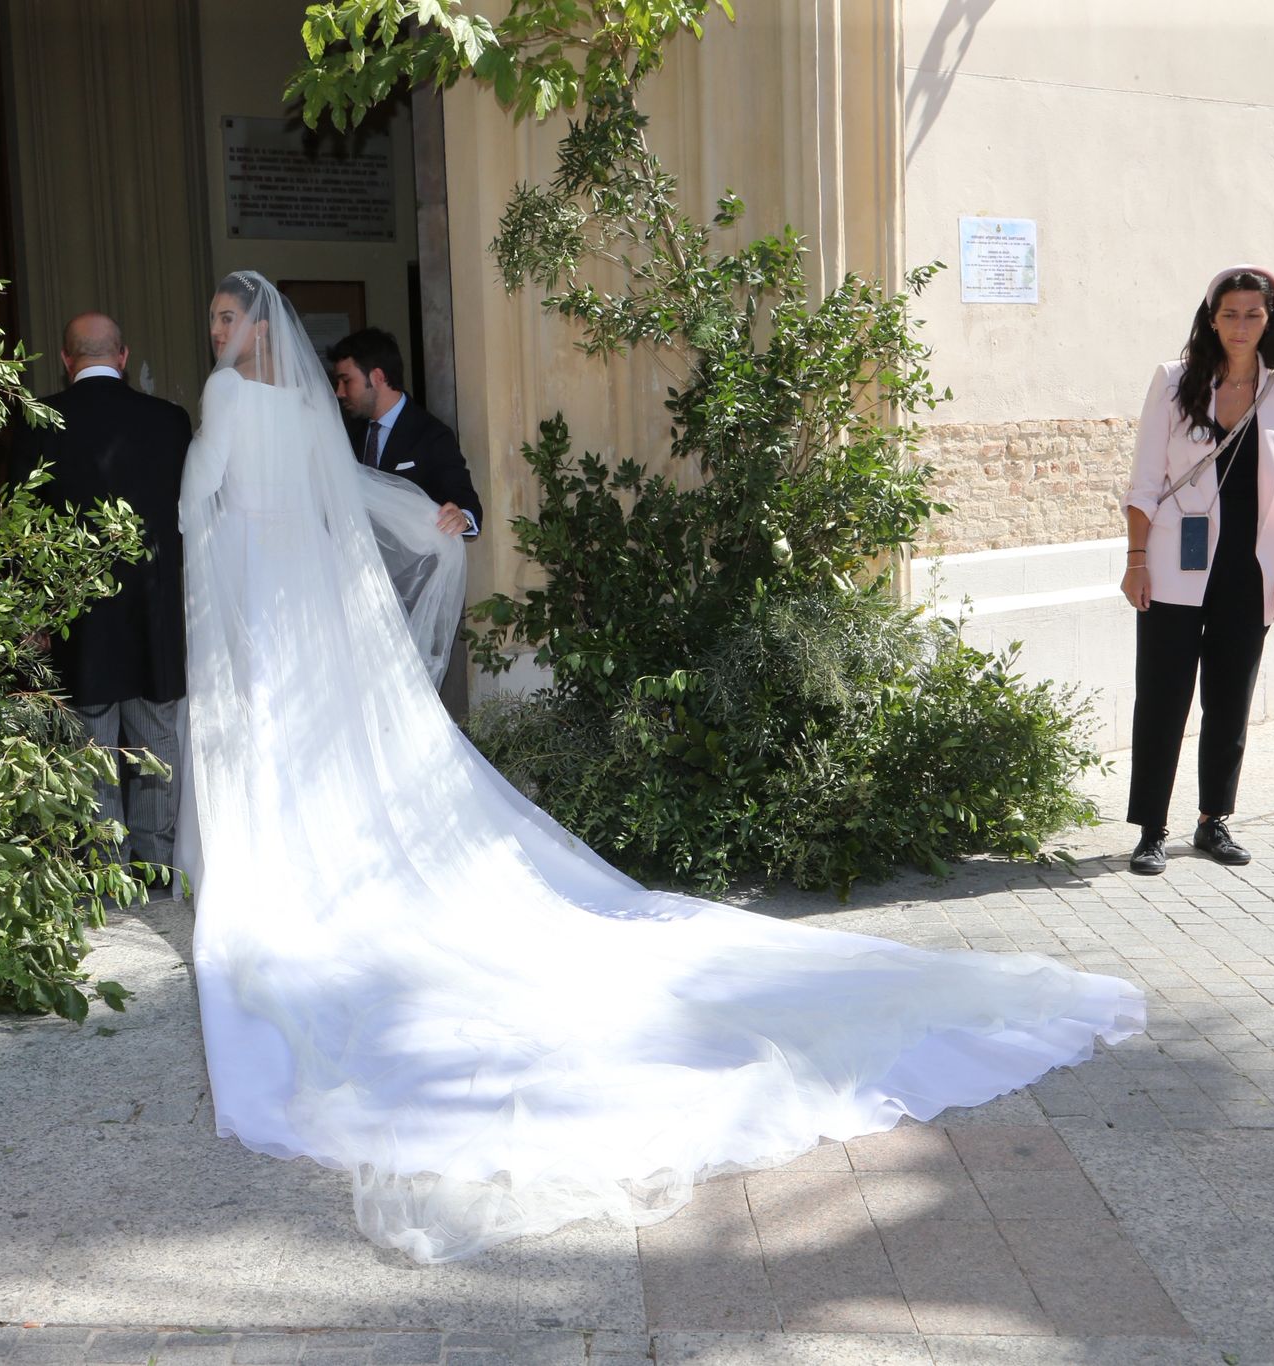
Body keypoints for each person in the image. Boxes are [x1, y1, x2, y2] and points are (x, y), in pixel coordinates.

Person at [175, 270, 1143, 1264]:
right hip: (302, 608)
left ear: (257, 327)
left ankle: (290, 871)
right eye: (210, 317)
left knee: (284, 746)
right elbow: (338, 510)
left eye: (223, 315)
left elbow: (207, 510)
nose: (213, 330)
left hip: (269, 606)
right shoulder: (298, 409)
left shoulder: (230, 401)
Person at [1119, 265, 1274, 876]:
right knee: (1162, 697)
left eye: (1253, 314)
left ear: (1271, 319)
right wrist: (1136, 560)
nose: (1240, 325)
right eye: (1229, 313)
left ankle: (1213, 822)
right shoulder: (1176, 381)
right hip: (1176, 566)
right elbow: (1145, 479)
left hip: (1250, 570)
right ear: (1211, 317)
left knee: (1229, 699)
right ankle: (1152, 828)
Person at [12, 312, 191, 878]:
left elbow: (21, 525)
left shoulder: (37, 423)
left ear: (67, 360)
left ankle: (107, 869)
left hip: (77, 617)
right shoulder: (170, 421)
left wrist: (29, 612)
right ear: (122, 355)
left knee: (91, 747)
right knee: (157, 743)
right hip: (153, 614)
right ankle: (157, 864)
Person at [331, 327, 483, 539]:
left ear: (377, 377)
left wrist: (462, 518)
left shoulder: (432, 434)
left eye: (346, 381)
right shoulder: (347, 432)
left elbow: (466, 502)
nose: (339, 392)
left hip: (416, 569)